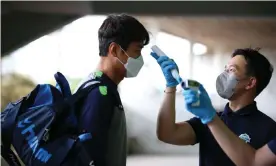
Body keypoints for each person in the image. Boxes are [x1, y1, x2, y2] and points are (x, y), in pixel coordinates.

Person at [151, 48, 276, 166]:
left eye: (231, 70)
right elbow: (167, 134)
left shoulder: (268, 128)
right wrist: (170, 86)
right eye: (225, 69)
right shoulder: (211, 118)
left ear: (250, 83)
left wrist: (210, 118)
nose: (224, 75)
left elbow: (253, 162)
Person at [75, 14, 149, 166]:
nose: (140, 59)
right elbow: (90, 157)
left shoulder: (101, 87)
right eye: (137, 51)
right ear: (114, 50)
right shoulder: (99, 95)